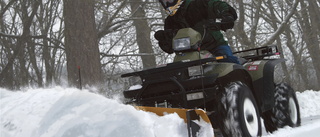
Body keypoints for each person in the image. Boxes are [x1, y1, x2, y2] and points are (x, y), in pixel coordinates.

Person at [155, 0, 239, 64]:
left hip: (214, 47)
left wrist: (227, 15)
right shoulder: (170, 21)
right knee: (174, 73)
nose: (167, 3)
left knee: (229, 63)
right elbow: (170, 49)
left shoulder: (196, 5)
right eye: (164, 1)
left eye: (169, 0)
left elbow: (215, 5)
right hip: (187, 55)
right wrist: (164, 40)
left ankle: (241, 82)